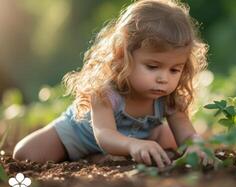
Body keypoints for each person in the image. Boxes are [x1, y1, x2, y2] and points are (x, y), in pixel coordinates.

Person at [12, 0, 211, 168]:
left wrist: (195, 146)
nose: (163, 78)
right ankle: (91, 156)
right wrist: (133, 145)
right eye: (152, 67)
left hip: (135, 140)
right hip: (80, 137)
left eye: (174, 70)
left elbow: (187, 135)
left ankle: (106, 158)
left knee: (171, 142)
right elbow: (104, 135)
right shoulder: (105, 91)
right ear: (123, 56)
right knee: (25, 153)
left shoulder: (169, 97)